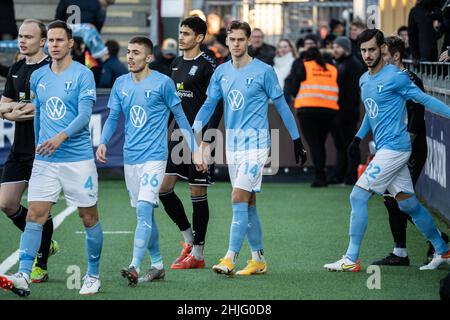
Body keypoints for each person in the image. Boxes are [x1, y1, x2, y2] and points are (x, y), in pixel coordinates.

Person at [324, 29, 450, 273]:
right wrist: (357, 138)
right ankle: (443, 249)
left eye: (372, 49)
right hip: (386, 149)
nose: (368, 55)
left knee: (357, 196)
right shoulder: (364, 80)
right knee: (408, 204)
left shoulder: (396, 77)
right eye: (363, 50)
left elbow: (424, 100)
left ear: (381, 49)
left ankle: (351, 259)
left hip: (395, 148)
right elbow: (372, 114)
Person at [192, 20, 307, 276]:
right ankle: (258, 259)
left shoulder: (264, 71)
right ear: (227, 42)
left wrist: (296, 139)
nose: (236, 44)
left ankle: (230, 258)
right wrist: (194, 133)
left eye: (240, 40)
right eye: (232, 40)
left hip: (256, 145)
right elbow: (210, 105)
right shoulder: (221, 72)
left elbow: (281, 105)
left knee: (237, 197)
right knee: (249, 202)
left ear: (248, 41)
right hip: (232, 146)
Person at [0, 20, 103, 296]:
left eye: (60, 41)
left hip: (77, 159)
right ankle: (24, 273)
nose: (54, 45)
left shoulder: (83, 75)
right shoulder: (38, 77)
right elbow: (41, 115)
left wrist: (60, 137)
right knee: (35, 215)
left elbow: (84, 116)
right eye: (51, 41)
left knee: (88, 216)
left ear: (70, 44)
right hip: (45, 161)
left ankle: (93, 274)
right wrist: (37, 145)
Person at [96, 36, 198, 286]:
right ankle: (158, 265)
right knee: (146, 216)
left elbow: (181, 118)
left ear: (148, 57)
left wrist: (195, 149)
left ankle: (133, 265)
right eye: (128, 52)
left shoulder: (163, 83)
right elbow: (113, 118)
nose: (130, 57)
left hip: (155, 157)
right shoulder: (120, 83)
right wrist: (103, 141)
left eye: (136, 53)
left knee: (144, 209)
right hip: (130, 159)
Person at [372, 36, 449, 266]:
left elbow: (416, 115)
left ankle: (441, 241)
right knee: (390, 198)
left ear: (396, 56)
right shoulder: (384, 79)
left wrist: (403, 148)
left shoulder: (409, 79)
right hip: (392, 148)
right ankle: (400, 252)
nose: (378, 58)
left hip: (410, 150)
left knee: (403, 200)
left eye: (384, 54)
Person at [158, 17, 222, 270]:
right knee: (164, 189)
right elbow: (174, 103)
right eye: (180, 32)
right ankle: (188, 239)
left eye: (186, 34)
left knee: (197, 192)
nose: (181, 37)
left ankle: (198, 253)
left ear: (199, 38)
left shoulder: (209, 66)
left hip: (201, 137)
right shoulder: (175, 63)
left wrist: (206, 142)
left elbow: (217, 104)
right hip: (178, 136)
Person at [0, 19, 59, 284]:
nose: (22, 41)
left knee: (38, 210)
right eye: (20, 36)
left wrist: (16, 110)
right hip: (19, 150)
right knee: (6, 203)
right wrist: (19, 111)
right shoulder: (16, 68)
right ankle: (46, 242)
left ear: (43, 40)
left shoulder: (51, 69)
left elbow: (44, 109)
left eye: (28, 37)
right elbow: (3, 108)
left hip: (45, 151)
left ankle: (41, 263)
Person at [286, 47, 339, 187]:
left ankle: (319, 177)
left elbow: (293, 89)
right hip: (329, 111)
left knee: (314, 145)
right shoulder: (331, 68)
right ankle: (321, 175)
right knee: (320, 144)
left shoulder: (303, 66)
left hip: (307, 111)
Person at [329, 36, 365, 185]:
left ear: (346, 49)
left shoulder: (353, 65)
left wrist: (343, 113)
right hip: (339, 112)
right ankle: (341, 174)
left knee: (349, 145)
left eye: (338, 47)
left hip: (347, 114)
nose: (335, 50)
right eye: (334, 47)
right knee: (341, 146)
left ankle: (351, 176)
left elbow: (351, 94)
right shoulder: (342, 64)